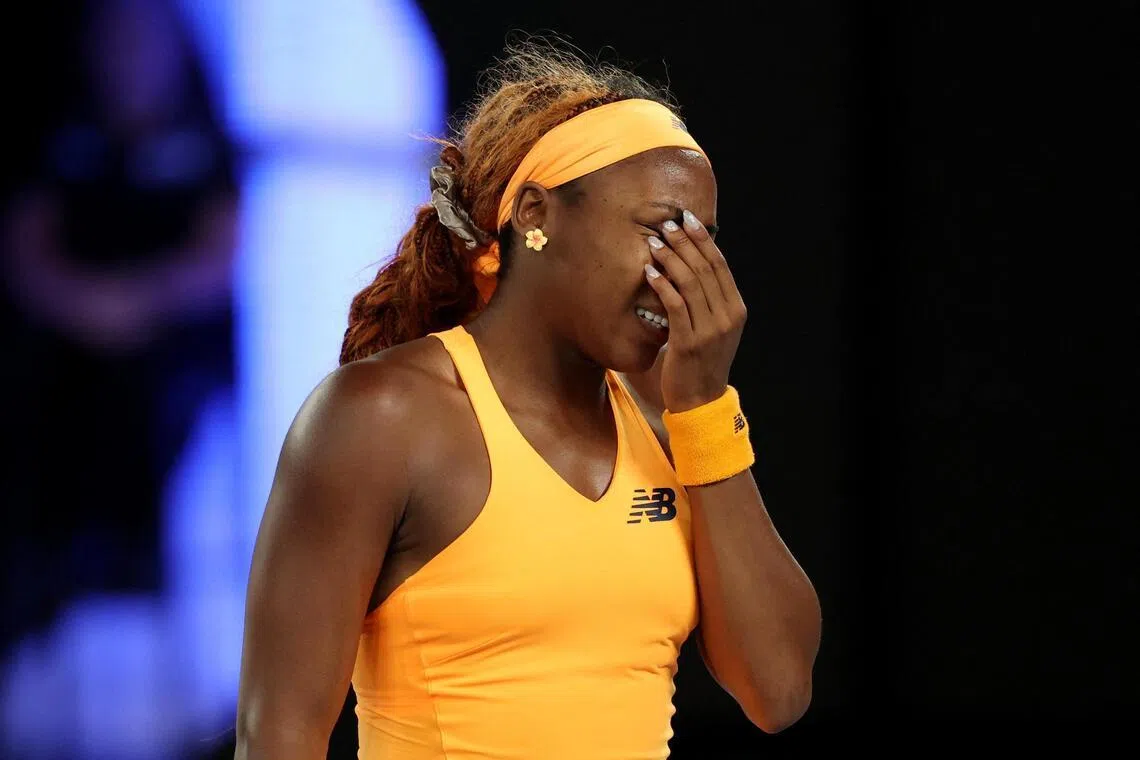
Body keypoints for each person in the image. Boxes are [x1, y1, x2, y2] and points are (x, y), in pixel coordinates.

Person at [234, 40, 821, 759]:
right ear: (537, 216)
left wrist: (702, 412)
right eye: (660, 229)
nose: (683, 271)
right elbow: (279, 735)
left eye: (702, 240)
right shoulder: (381, 415)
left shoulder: (672, 420)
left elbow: (780, 690)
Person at [1, 0, 238, 644]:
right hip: (68, 340)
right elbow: (25, 247)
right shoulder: (63, 133)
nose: (127, 60)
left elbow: (220, 255)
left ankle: (139, 562)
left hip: (168, 347)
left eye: (142, 44)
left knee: (167, 399)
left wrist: (141, 301)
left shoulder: (204, 136)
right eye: (115, 43)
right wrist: (84, 305)